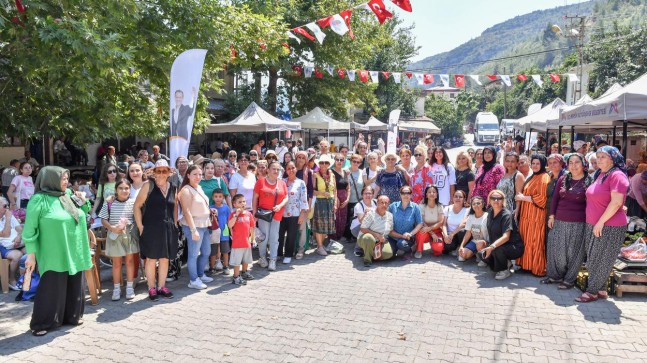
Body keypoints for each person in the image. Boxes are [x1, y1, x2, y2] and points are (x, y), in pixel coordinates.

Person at [23, 166, 92, 336]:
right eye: (63, 179)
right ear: (51, 180)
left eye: (67, 178)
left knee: (74, 282)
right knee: (51, 287)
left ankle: (72, 316)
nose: (66, 182)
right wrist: (31, 256)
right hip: (53, 251)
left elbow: (84, 212)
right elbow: (29, 231)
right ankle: (42, 323)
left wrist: (83, 200)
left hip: (74, 249)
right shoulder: (39, 200)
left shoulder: (67, 195)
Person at [576, 146, 630, 303]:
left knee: (601, 259)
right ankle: (600, 289)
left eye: (603, 157)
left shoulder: (617, 175)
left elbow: (616, 202)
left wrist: (600, 222)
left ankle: (592, 291)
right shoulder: (601, 174)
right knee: (593, 258)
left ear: (612, 159)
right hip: (595, 223)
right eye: (597, 156)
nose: (599, 160)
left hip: (610, 225)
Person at [544, 153, 592, 289]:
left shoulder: (589, 181)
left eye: (577, 162)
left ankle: (569, 280)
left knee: (574, 253)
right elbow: (555, 199)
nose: (574, 165)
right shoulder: (564, 178)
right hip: (559, 220)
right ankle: (555, 276)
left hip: (579, 222)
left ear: (583, 164)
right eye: (571, 162)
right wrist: (551, 216)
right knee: (557, 251)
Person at [134, 159, 179, 301]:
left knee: (165, 258)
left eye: (164, 171)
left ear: (168, 173)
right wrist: (140, 226)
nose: (161, 174)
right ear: (154, 173)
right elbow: (136, 206)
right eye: (158, 171)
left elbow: (175, 206)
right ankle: (151, 288)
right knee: (151, 259)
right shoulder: (148, 185)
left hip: (168, 227)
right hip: (151, 228)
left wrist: (175, 224)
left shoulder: (173, 187)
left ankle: (161, 287)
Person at [99, 180, 138, 300]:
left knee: (130, 261)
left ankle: (129, 287)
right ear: (116, 190)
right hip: (114, 236)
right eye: (121, 188)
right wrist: (111, 227)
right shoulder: (109, 203)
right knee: (116, 264)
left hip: (129, 235)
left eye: (126, 188)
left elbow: (137, 217)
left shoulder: (133, 203)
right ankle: (116, 289)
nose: (124, 191)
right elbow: (103, 219)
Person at [178, 165, 213, 290]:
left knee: (206, 251)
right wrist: (193, 230)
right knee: (193, 254)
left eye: (200, 174)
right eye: (195, 174)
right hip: (193, 226)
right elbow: (186, 212)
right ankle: (193, 280)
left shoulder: (199, 187)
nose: (198, 177)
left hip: (204, 224)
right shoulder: (186, 190)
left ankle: (200, 274)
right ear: (188, 175)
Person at [515, 154, 550, 277]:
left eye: (538, 164)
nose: (535, 166)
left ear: (542, 164)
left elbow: (542, 199)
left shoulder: (544, 177)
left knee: (535, 242)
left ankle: (537, 267)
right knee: (526, 240)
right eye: (533, 163)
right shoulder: (534, 176)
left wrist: (522, 197)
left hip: (536, 217)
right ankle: (526, 265)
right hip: (527, 216)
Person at [480, 190, 525, 280]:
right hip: (498, 245)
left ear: (503, 200)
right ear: (489, 200)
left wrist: (492, 247)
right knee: (482, 254)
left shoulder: (506, 215)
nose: (496, 200)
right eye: (493, 198)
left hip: (513, 246)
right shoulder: (490, 212)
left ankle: (504, 270)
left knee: (496, 250)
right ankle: (505, 262)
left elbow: (506, 237)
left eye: (499, 198)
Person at [252, 162, 288, 270]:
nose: (276, 171)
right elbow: (255, 198)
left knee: (274, 237)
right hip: (263, 214)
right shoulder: (260, 182)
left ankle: (273, 259)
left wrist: (280, 205)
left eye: (278, 169)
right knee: (263, 237)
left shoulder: (282, 183)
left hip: (277, 214)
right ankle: (263, 257)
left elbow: (286, 197)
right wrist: (254, 213)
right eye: (274, 169)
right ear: (268, 170)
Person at [278, 161, 308, 264]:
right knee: (279, 235)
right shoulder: (281, 181)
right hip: (281, 213)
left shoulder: (301, 183)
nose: (291, 170)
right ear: (285, 170)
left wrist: (302, 214)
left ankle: (288, 255)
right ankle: (278, 254)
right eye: (288, 168)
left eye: (293, 168)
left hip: (294, 213)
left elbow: (304, 199)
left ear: (296, 169)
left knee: (291, 236)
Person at [357, 195, 393, 267]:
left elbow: (390, 229)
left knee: (388, 254)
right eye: (382, 202)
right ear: (377, 203)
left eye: (386, 203)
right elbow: (363, 229)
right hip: (366, 238)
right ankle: (367, 259)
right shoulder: (371, 214)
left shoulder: (390, 215)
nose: (384, 205)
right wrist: (377, 235)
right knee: (368, 238)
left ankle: (370, 252)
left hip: (380, 240)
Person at [388, 186, 423, 258]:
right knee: (389, 254)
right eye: (403, 193)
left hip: (408, 237)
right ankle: (397, 249)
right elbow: (383, 213)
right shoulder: (393, 206)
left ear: (411, 195)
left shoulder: (415, 207)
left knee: (401, 244)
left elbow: (420, 223)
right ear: (400, 195)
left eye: (408, 193)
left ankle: (409, 250)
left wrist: (411, 234)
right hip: (394, 236)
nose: (406, 195)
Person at [312, 155, 337, 256]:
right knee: (319, 225)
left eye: (326, 163)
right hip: (320, 201)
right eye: (321, 163)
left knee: (326, 226)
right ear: (319, 164)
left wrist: (335, 203)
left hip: (329, 202)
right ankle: (320, 246)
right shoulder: (315, 175)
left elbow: (334, 190)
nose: (324, 165)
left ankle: (320, 245)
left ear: (329, 164)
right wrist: (322, 193)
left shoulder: (332, 175)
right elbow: (312, 191)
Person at [228, 194, 255, 285]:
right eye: (240, 202)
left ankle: (244, 272)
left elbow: (251, 227)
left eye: (244, 201)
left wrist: (253, 239)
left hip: (246, 242)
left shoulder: (249, 214)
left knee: (246, 259)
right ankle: (236, 277)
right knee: (237, 261)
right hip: (237, 243)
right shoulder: (233, 214)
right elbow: (230, 225)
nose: (242, 203)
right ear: (234, 204)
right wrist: (236, 215)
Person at [0, 197, 24, 290]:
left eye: (7, 206)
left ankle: (28, 279)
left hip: (15, 243)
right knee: (17, 255)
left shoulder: (8, 215)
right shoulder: (8, 216)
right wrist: (8, 218)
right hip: (2, 245)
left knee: (31, 250)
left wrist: (18, 237)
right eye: (4, 206)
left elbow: (20, 230)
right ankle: (11, 279)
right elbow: (6, 234)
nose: (7, 208)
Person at [414, 185, 445, 259]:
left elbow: (441, 222)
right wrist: (431, 232)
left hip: (436, 230)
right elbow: (421, 221)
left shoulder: (440, 206)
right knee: (421, 232)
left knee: (438, 249)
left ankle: (433, 245)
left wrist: (432, 230)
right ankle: (419, 250)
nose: (432, 193)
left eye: (434, 192)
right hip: (425, 229)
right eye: (429, 192)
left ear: (437, 194)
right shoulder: (421, 206)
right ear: (426, 195)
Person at [294, 151, 313, 259]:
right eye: (299, 157)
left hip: (303, 204)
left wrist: (308, 205)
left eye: (303, 158)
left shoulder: (308, 172)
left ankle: (301, 249)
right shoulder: (291, 169)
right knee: (292, 227)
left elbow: (310, 190)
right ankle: (291, 247)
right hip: (291, 203)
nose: (300, 159)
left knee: (302, 227)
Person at [457, 196, 489, 263]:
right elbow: (468, 233)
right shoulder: (470, 217)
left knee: (480, 243)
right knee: (462, 256)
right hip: (475, 241)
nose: (476, 205)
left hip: (486, 242)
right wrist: (461, 246)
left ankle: (483, 258)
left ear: (483, 204)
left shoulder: (488, 216)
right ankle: (477, 253)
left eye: (478, 203)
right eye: (473, 204)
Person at [208, 189, 231, 275]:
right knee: (213, 250)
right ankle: (212, 267)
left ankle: (226, 266)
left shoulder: (226, 207)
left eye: (220, 197)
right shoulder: (210, 208)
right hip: (214, 231)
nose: (218, 198)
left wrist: (231, 231)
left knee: (225, 250)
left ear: (223, 198)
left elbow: (229, 219)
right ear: (213, 197)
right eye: (216, 197)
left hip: (224, 232)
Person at [441, 190, 469, 255]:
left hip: (459, 234)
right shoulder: (447, 208)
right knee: (448, 246)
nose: (458, 198)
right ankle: (453, 248)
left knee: (462, 231)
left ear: (464, 199)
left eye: (460, 197)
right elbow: (444, 224)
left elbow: (462, 225)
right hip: (449, 234)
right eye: (456, 196)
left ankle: (460, 247)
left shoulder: (467, 210)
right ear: (453, 198)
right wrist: (446, 236)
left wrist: (452, 234)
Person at [330, 153, 351, 242]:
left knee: (343, 217)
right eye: (337, 159)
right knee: (335, 218)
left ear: (344, 161)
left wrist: (347, 199)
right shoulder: (331, 172)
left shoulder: (345, 172)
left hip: (344, 198)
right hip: (335, 198)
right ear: (334, 160)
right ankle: (333, 237)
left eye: (341, 160)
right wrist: (336, 198)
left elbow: (348, 187)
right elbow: (332, 187)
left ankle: (340, 235)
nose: (339, 162)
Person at [345, 154, 365, 241]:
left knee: (356, 218)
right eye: (354, 161)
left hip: (358, 200)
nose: (356, 163)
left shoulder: (362, 172)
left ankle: (354, 235)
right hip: (347, 200)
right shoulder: (345, 171)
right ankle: (348, 236)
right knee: (348, 218)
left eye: (358, 162)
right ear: (350, 161)